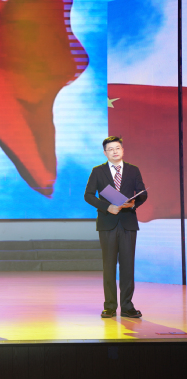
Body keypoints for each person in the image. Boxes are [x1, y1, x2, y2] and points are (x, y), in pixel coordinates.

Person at [84, 136, 147, 319]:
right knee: (109, 266)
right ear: (105, 153)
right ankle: (110, 306)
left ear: (122, 150)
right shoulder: (98, 171)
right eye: (110, 149)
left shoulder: (133, 170)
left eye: (117, 148)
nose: (114, 151)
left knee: (128, 266)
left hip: (128, 222)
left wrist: (133, 204)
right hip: (107, 223)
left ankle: (127, 306)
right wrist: (107, 207)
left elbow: (143, 193)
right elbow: (88, 195)